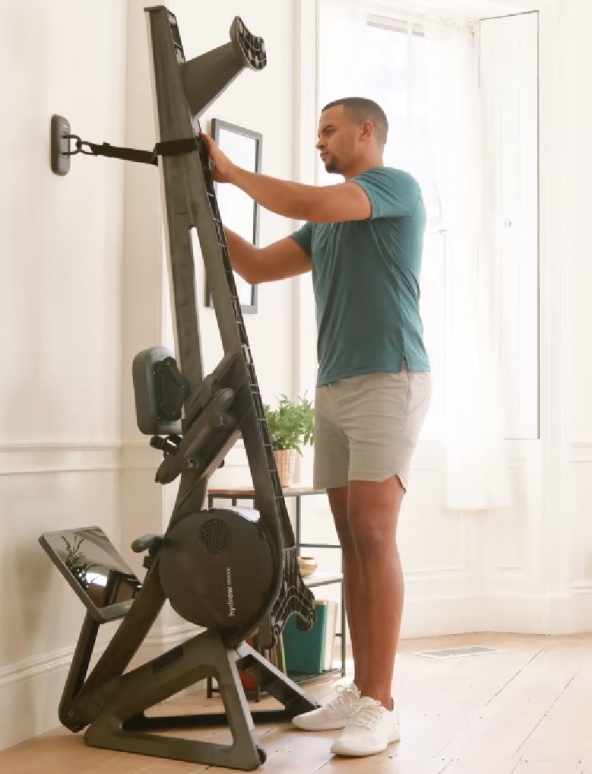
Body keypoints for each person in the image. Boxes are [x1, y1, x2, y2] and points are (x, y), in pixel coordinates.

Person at [201, 97, 430, 758]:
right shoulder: (327, 222)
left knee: (373, 530)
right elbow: (255, 265)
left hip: (392, 376)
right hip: (336, 383)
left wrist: (232, 172)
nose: (319, 143)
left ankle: (382, 705)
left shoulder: (390, 188)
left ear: (367, 132)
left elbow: (305, 202)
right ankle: (361, 690)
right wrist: (201, 202)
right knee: (351, 537)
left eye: (328, 131)